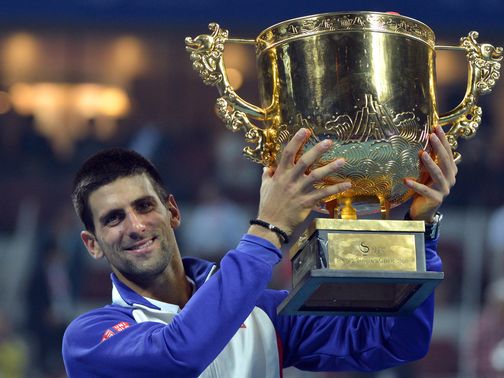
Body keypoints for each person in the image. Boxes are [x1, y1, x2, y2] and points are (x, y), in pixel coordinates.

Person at [62, 126, 457, 377]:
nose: (135, 226)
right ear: (92, 244)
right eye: (113, 219)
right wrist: (268, 228)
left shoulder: (263, 314)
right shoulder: (90, 339)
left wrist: (419, 232)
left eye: (144, 206)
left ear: (173, 211)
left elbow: (397, 341)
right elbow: (177, 355)